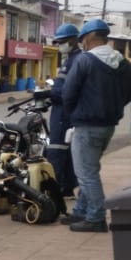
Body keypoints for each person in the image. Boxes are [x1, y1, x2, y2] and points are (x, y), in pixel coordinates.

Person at [61, 18, 131, 233]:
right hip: (108, 125)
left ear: (89, 38)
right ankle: (81, 211)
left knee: (86, 174)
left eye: (82, 39)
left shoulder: (84, 61)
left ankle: (96, 217)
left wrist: (74, 114)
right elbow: (129, 94)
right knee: (90, 169)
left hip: (86, 125)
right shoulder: (123, 63)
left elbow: (68, 93)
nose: (82, 43)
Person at [47, 23, 81, 200]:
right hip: (63, 111)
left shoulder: (76, 61)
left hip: (64, 115)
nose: (60, 45)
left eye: (63, 41)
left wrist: (51, 93)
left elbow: (68, 90)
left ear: (74, 40)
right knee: (67, 152)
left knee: (57, 151)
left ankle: (58, 188)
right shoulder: (70, 60)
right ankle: (67, 187)